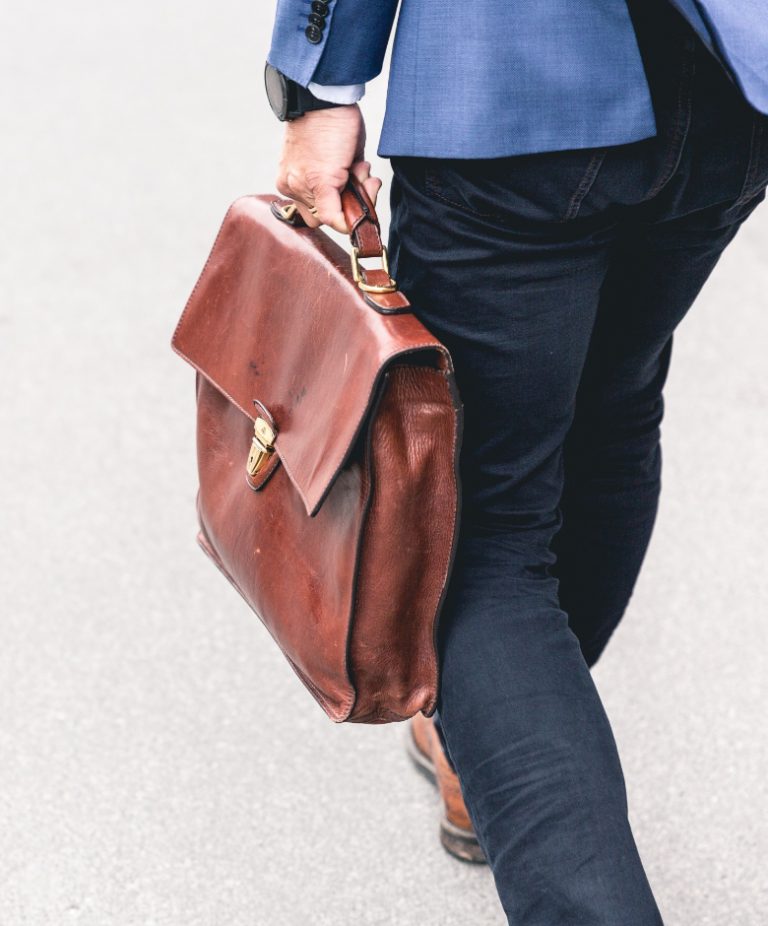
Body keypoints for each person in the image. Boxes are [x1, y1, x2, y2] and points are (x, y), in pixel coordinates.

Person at [264, 0, 768, 922]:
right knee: (610, 414)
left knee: (479, 531)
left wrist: (321, 80)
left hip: (515, 82)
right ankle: (493, 739)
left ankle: (501, 732)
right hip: (734, 92)